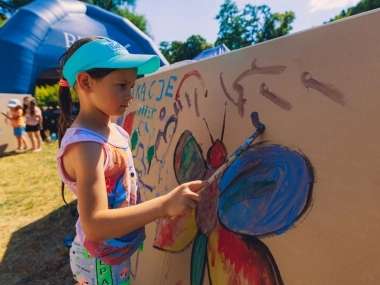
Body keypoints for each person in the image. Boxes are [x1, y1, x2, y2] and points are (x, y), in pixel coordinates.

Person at [56, 37, 207, 285]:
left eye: (132, 86)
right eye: (122, 85)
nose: (129, 95)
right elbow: (94, 225)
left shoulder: (113, 130)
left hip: (114, 251)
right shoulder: (86, 146)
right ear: (85, 82)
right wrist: (164, 205)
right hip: (99, 261)